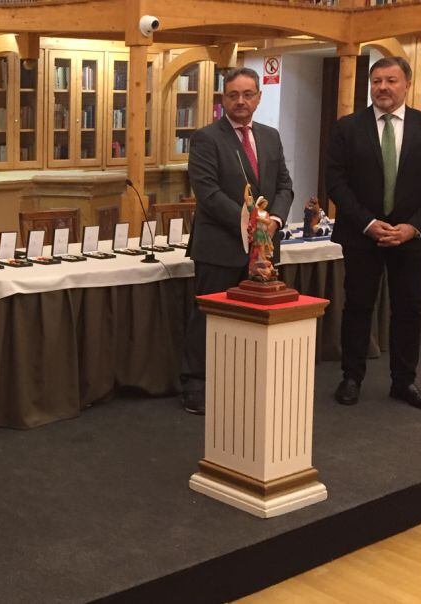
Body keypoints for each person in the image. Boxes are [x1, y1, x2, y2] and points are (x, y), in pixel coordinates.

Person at [326, 56, 421, 410]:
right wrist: (369, 224)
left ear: (407, 84)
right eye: (376, 81)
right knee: (358, 306)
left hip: (412, 238)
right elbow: (336, 182)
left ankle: (404, 382)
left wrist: (413, 227)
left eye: (391, 80)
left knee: (409, 309)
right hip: (362, 235)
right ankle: (351, 377)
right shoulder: (347, 128)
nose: (383, 88)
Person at [181, 67, 294, 415]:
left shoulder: (271, 136)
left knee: (252, 317)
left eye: (248, 94)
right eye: (233, 95)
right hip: (220, 246)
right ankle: (195, 383)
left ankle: (241, 379)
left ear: (258, 98)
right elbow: (208, 192)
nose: (241, 101)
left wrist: (272, 220)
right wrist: (249, 223)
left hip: (264, 248)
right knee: (208, 317)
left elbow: (285, 186)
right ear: (223, 100)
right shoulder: (206, 138)